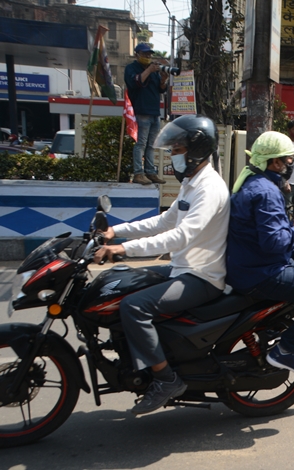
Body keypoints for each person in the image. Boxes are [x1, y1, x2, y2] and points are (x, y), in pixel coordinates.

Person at [93, 115, 230, 415]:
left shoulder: (210, 188)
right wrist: (117, 230)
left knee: (134, 306)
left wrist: (123, 248)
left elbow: (179, 236)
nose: (172, 155)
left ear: (196, 149)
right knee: (119, 281)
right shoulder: (192, 183)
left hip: (202, 277)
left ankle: (166, 379)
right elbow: (164, 221)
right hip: (182, 269)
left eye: (177, 149)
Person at [226, 131, 294, 375]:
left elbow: (276, 231)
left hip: (247, 267)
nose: (290, 166)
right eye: (289, 162)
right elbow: (274, 242)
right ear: (275, 162)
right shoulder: (266, 193)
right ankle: (285, 350)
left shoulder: (253, 182)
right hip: (260, 274)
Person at [124, 43, 168, 185]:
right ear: (137, 54)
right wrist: (149, 70)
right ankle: (138, 173)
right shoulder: (131, 68)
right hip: (141, 110)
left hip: (155, 112)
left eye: (149, 54)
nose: (148, 57)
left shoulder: (154, 71)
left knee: (151, 144)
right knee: (141, 143)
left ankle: (150, 172)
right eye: (145, 54)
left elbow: (161, 90)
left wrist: (163, 79)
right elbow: (135, 82)